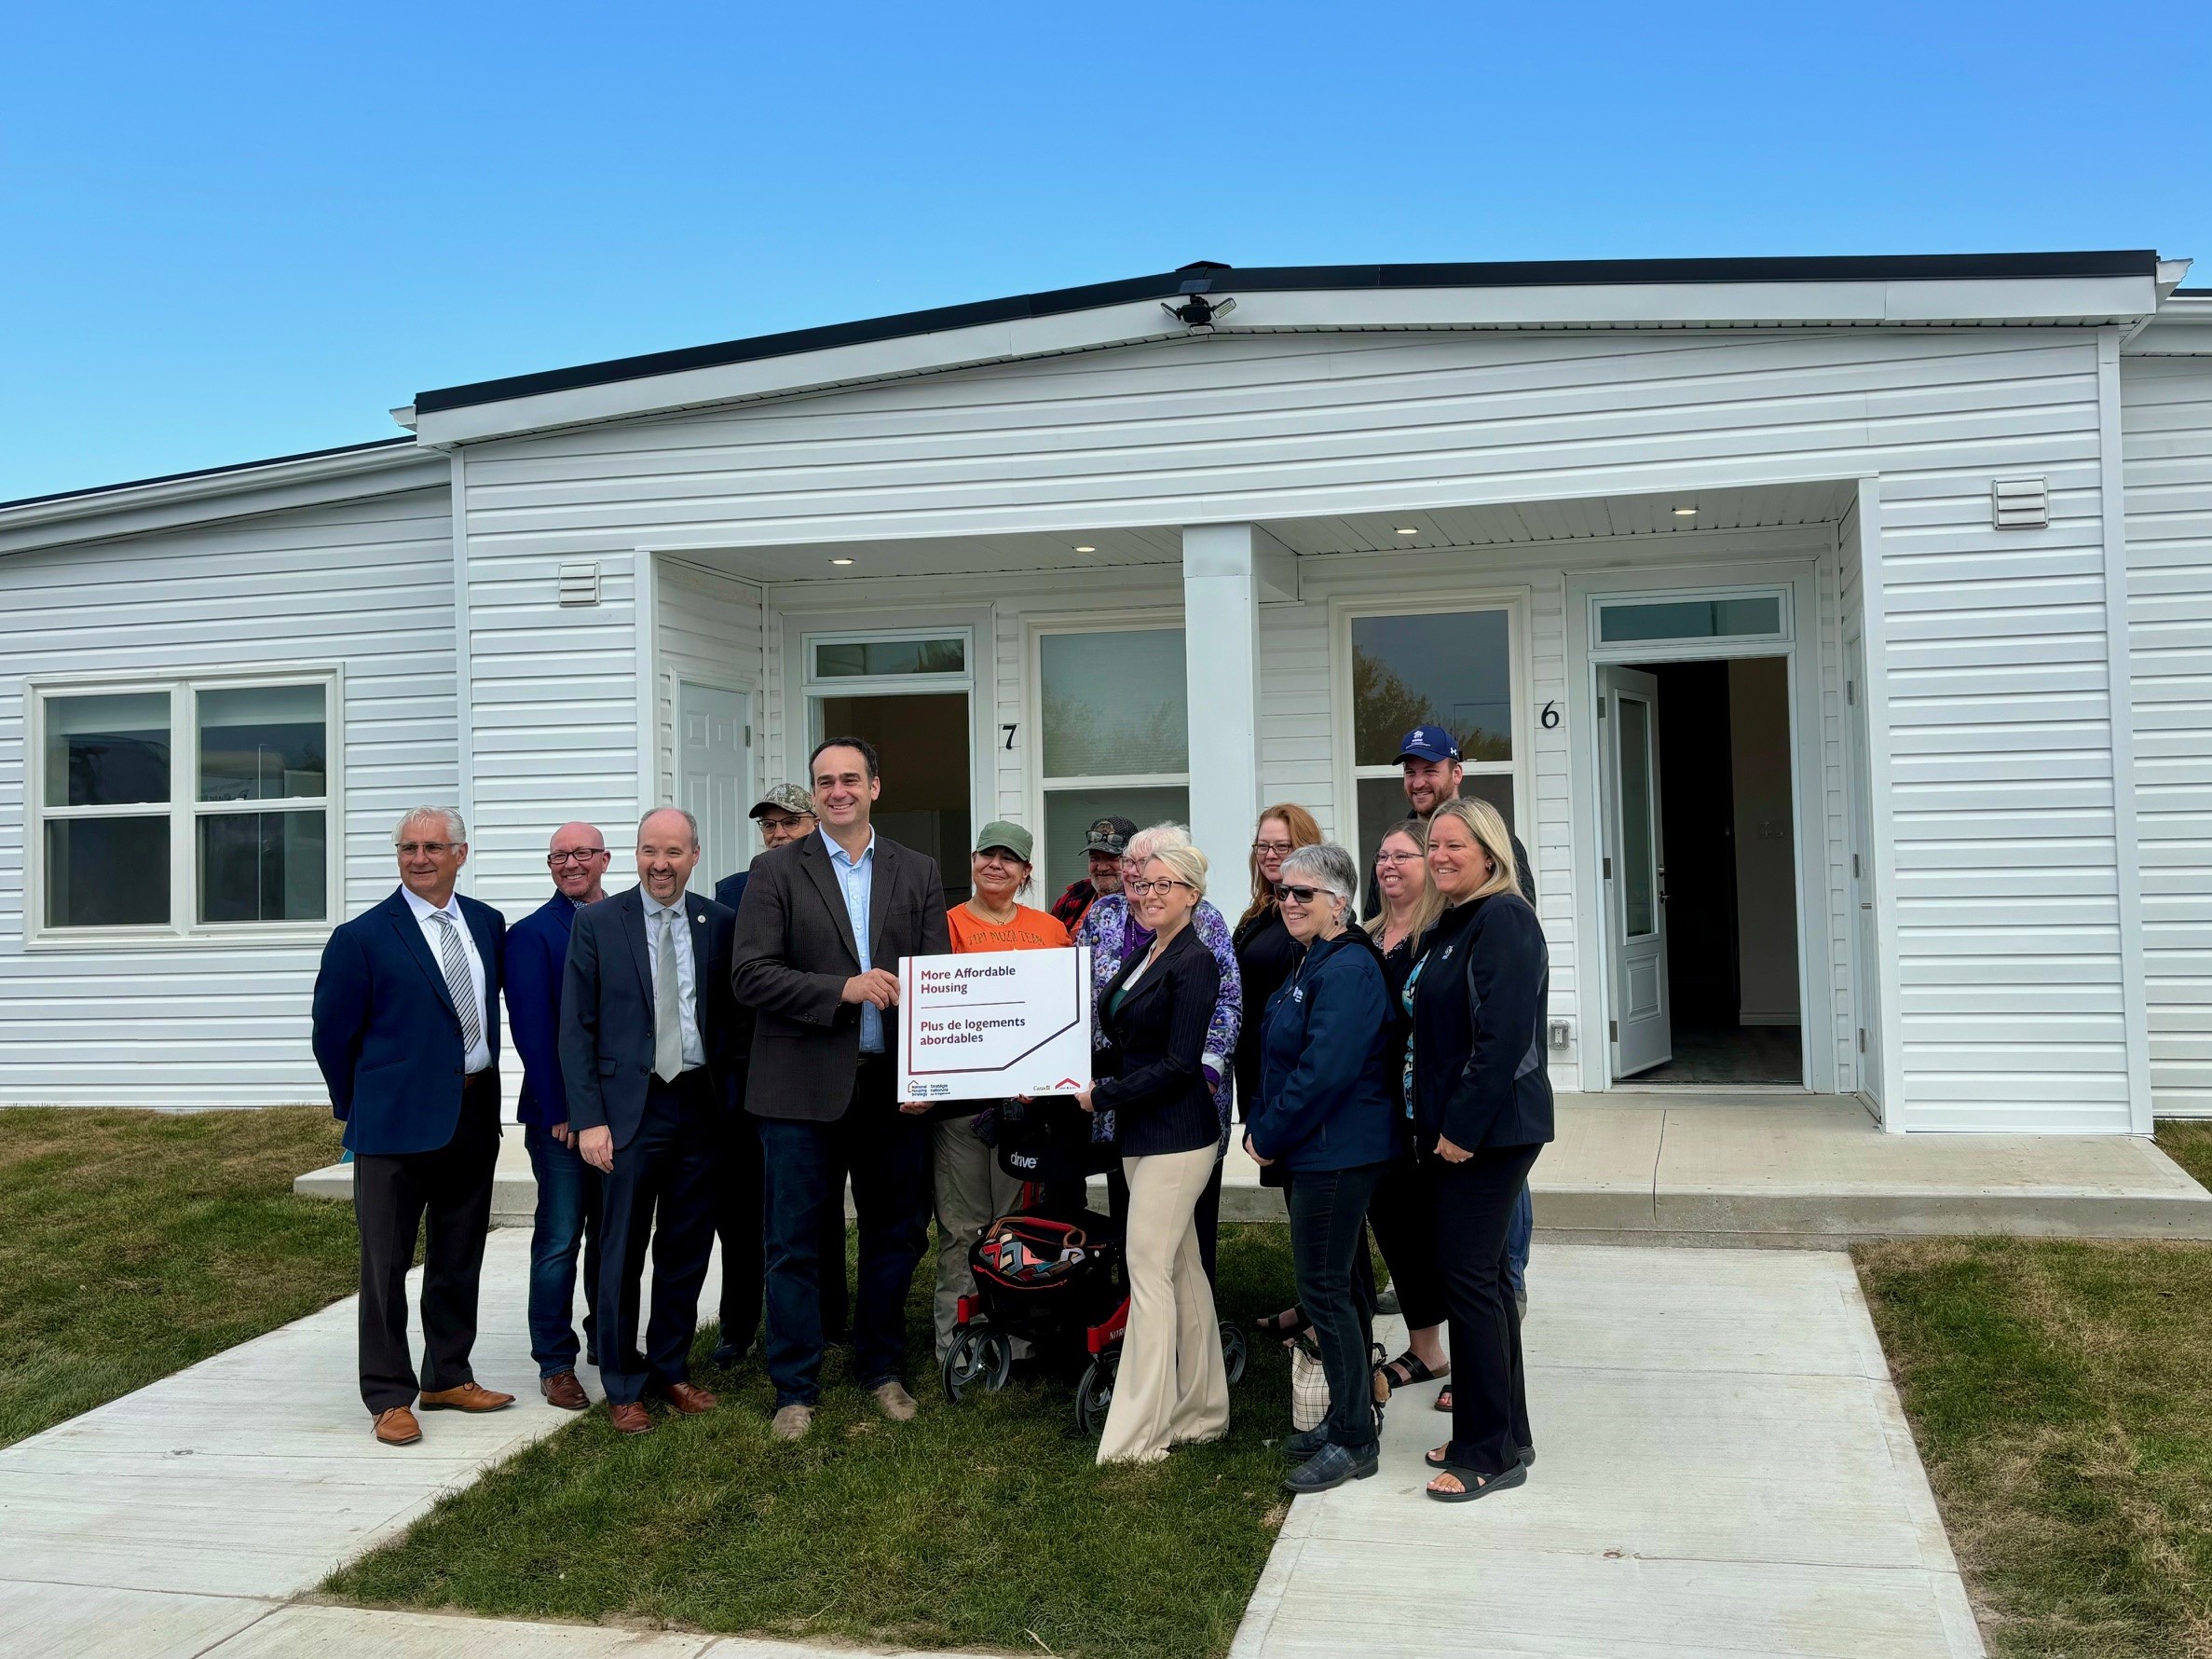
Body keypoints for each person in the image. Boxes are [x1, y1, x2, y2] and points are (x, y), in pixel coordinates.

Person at [731, 735, 950, 1442]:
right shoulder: (774, 872)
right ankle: (794, 1387)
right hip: (798, 1091)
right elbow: (751, 976)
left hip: (891, 1091)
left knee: (895, 1236)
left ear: (875, 787)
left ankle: (880, 1367)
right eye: (824, 782)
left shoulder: (915, 870)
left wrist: (927, 1075)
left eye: (850, 779)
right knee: (793, 1243)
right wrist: (842, 989)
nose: (837, 791)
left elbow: (932, 982)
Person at [310, 807, 514, 1446]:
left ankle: (448, 1375)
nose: (419, 857)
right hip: (391, 1126)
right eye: (408, 847)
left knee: (458, 1256)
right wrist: (362, 1105)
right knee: (386, 1265)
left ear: (460, 853)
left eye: (433, 847)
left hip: (474, 1114)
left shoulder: (486, 923)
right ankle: (389, 1394)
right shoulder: (363, 936)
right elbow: (331, 1036)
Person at [560, 808, 744, 1435]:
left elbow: (733, 1024)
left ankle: (670, 1368)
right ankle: (621, 1383)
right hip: (626, 1113)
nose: (659, 864)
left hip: (699, 1108)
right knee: (619, 1253)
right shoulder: (598, 924)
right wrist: (588, 1119)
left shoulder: (718, 924)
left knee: (686, 1250)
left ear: (694, 856)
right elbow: (575, 1029)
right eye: (648, 851)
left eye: (672, 852)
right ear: (635, 856)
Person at [1362, 724, 1537, 1327]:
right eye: (1410, 771)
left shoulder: (1494, 853)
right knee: (1444, 1215)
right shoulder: (1399, 844)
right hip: (1427, 1069)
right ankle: (1449, 1292)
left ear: (1456, 772)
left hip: (1483, 1080)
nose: (1418, 780)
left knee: (1492, 1204)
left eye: (1429, 769)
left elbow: (1507, 968)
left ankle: (1504, 1287)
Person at [1245, 843, 1398, 1493]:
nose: (1289, 902)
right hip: (1318, 1149)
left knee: (1325, 1293)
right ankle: (1346, 1412)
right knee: (1336, 1292)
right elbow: (1278, 1051)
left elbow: (1325, 1070)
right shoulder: (1317, 960)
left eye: (1304, 893)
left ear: (1340, 899)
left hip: (1337, 1152)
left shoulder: (1348, 968)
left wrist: (1269, 1133)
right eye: (1283, 891)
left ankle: (1354, 1440)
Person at [1412, 797, 1553, 1501]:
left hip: (1492, 1133)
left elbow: (1502, 1041)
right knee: (1487, 1282)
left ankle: (1487, 1455)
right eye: (1432, 845)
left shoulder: (1504, 918)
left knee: (1468, 1281)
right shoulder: (1455, 921)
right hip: (1461, 1133)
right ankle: (1502, 1430)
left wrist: (1462, 1130)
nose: (1438, 856)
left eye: (1454, 846)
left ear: (1491, 854)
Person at [1086, 843, 1230, 1464]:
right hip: (1141, 1132)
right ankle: (1203, 1412)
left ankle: (1139, 1436)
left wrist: (1104, 1096)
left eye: (1165, 886)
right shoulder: (1148, 951)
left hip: (1179, 1134)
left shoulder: (1195, 961)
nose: (1149, 895)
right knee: (1180, 1272)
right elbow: (1127, 1041)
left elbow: (1178, 1064)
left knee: (1145, 1270)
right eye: (1143, 885)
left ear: (1193, 894)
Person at [1073, 823, 1241, 1268]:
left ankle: (1180, 1323)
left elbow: (1226, 1003)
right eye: (1131, 864)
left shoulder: (1205, 924)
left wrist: (1207, 1071)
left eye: (1149, 868)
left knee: (1187, 1228)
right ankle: (1134, 1308)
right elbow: (1072, 991)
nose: (1135, 874)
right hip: (1116, 1094)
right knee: (1132, 1217)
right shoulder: (1102, 915)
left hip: (1182, 1100)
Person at [708, 782, 835, 1367]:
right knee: (742, 1208)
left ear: (815, 825)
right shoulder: (730, 893)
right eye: (769, 825)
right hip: (744, 1071)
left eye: (790, 822)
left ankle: (830, 1318)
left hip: (811, 1066)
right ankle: (738, 1326)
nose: (778, 833)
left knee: (817, 1205)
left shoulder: (837, 887)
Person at [932, 820, 1071, 1353]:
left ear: (1026, 871)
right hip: (963, 1105)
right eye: (987, 854)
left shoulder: (1050, 930)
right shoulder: (946, 925)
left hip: (1027, 1107)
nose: (996, 864)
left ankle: (1016, 1336)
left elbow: (1061, 1013)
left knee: (1015, 1226)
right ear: (972, 860)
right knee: (963, 1226)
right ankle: (957, 1342)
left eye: (1008, 858)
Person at [501, 820, 611, 1411]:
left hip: (619, 1115)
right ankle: (554, 1360)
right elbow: (532, 1032)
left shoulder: (623, 920)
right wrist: (564, 1107)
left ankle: (607, 1340)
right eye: (559, 856)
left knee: (612, 1237)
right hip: (560, 1119)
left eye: (582, 854)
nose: (571, 864)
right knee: (560, 1237)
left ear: (604, 860)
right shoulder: (531, 936)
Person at [1366, 821, 1453, 1403]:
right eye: (1381, 855)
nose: (1388, 865)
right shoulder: (1366, 935)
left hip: (1430, 1105)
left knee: (1452, 1237)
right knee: (1394, 1226)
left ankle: (1475, 1360)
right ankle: (1427, 1350)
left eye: (1403, 855)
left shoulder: (1443, 935)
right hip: (1377, 1110)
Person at [1239, 804, 1325, 1334]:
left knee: (1318, 1208)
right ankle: (1312, 1303)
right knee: (1300, 1204)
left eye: (1283, 847)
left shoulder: (1307, 916)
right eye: (1264, 846)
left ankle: (1329, 1315)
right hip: (1262, 1078)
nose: (1271, 856)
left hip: (1295, 1083)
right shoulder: (1262, 911)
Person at [1050, 815, 1136, 934]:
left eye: (1112, 858)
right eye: (1094, 858)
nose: (1101, 867)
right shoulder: (1075, 896)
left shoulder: (1146, 902)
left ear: (1133, 861)